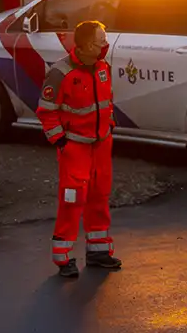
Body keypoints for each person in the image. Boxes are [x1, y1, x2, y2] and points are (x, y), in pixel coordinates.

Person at [36, 21, 121, 278]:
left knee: (99, 195)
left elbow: (107, 101)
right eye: (99, 42)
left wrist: (109, 126)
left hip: (100, 144)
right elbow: (46, 112)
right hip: (75, 146)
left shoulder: (102, 67)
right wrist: (61, 142)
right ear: (83, 45)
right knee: (72, 200)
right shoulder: (60, 74)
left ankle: (98, 251)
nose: (104, 46)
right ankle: (63, 257)